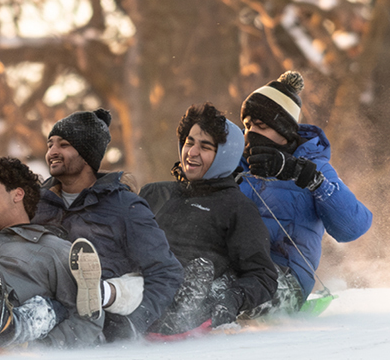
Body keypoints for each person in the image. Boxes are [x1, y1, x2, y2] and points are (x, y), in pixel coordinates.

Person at [32, 109, 183, 341]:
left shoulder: (124, 206)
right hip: (41, 314)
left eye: (63, 145)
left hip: (100, 326)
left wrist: (133, 325)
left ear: (87, 155)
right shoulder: (36, 204)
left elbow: (165, 272)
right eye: (50, 144)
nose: (52, 152)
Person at [0, 155, 143, 348]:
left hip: (9, 344)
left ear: (18, 194)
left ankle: (7, 322)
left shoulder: (53, 249)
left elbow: (86, 319)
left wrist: (41, 348)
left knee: (52, 308)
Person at [139, 102, 277, 339]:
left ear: (224, 155)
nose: (191, 152)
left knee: (198, 278)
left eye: (205, 147)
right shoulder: (156, 193)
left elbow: (263, 276)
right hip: (145, 284)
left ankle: (182, 308)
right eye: (189, 142)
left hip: (199, 291)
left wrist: (233, 298)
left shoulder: (237, 207)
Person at [238, 71, 372, 313]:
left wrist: (311, 180)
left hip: (285, 277)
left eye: (261, 125)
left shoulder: (313, 166)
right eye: (247, 125)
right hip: (238, 264)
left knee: (240, 294)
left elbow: (354, 226)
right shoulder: (239, 166)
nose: (251, 134)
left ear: (285, 130)